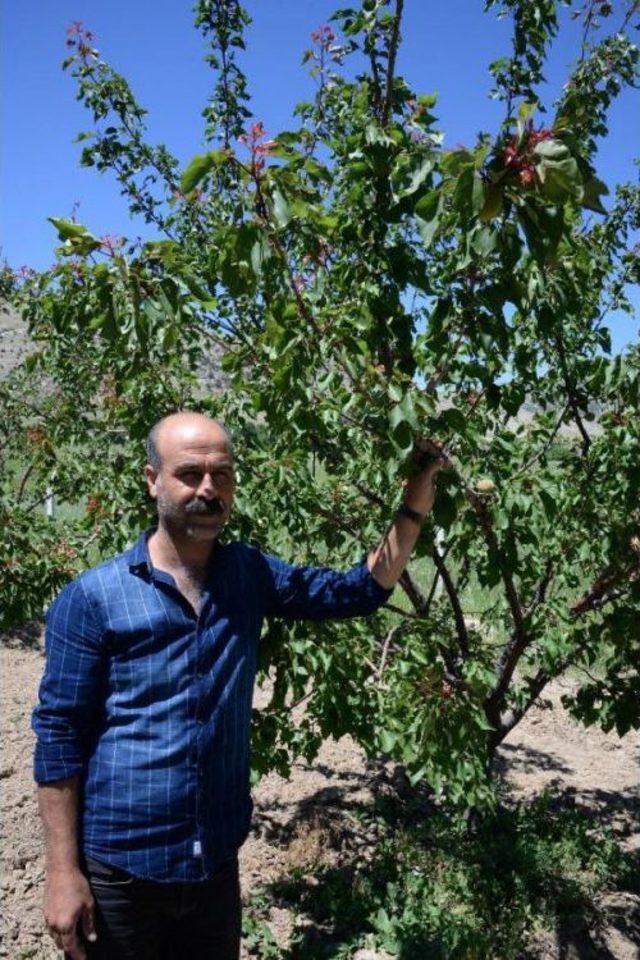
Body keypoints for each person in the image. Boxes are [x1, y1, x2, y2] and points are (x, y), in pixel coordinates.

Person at [32, 411, 449, 960]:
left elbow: (360, 590)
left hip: (214, 864)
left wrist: (416, 496)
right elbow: (58, 736)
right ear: (152, 479)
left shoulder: (248, 575)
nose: (209, 488)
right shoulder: (93, 599)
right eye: (189, 473)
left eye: (222, 474)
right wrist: (62, 872)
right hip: (122, 872)